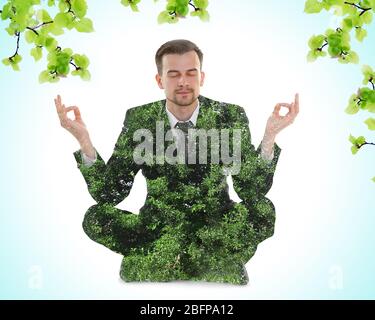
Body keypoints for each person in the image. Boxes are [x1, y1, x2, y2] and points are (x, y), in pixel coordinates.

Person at [55, 39, 299, 285]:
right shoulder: (140, 118)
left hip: (216, 228)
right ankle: (204, 262)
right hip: (157, 229)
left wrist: (269, 137)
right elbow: (109, 193)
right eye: (173, 75)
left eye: (190, 73)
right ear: (160, 80)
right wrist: (83, 140)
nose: (183, 82)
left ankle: (163, 262)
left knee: (263, 211)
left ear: (201, 77)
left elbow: (252, 190)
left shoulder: (229, 116)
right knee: (95, 217)